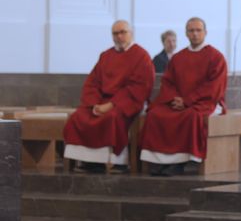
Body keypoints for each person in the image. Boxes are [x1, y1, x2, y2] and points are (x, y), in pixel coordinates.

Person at [63, 21, 155, 173]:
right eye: (115, 33)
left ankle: (118, 162)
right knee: (78, 117)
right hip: (101, 102)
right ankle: (90, 162)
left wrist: (112, 104)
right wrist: (93, 104)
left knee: (112, 117)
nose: (119, 36)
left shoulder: (141, 56)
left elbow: (139, 87)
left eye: (123, 32)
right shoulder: (106, 56)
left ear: (131, 33)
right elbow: (93, 82)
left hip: (126, 102)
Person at [139, 17, 228, 176]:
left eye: (198, 30)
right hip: (178, 102)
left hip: (205, 102)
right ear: (186, 34)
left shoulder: (216, 57)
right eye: (191, 30)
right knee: (155, 114)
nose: (194, 34)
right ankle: (160, 161)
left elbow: (214, 86)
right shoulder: (178, 57)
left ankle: (183, 162)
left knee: (191, 116)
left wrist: (187, 101)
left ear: (205, 33)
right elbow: (168, 82)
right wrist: (175, 99)